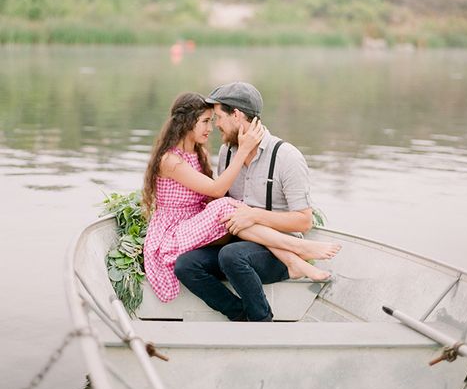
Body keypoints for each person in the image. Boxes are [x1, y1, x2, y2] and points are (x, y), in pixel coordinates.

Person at [142, 91, 340, 305]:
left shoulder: (283, 156)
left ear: (236, 115)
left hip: (198, 225)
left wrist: (245, 214)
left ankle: (292, 258)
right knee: (226, 210)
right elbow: (217, 191)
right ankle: (295, 252)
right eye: (206, 121)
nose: (212, 127)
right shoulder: (175, 160)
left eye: (214, 119)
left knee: (231, 217)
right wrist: (243, 150)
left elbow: (212, 197)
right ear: (187, 123)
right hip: (176, 231)